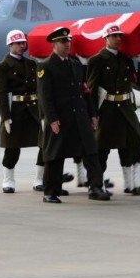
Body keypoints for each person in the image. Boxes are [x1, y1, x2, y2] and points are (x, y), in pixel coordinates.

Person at [36, 26, 111, 203]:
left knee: (91, 152)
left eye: (68, 40)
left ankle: (95, 187)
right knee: (55, 155)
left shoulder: (75, 65)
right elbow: (45, 97)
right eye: (63, 41)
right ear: (54, 44)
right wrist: (52, 119)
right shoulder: (46, 66)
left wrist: (92, 114)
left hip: (80, 117)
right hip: (61, 119)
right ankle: (50, 192)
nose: (67, 44)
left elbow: (84, 92)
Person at [85, 23, 140, 196]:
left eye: (119, 36)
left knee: (134, 143)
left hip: (126, 109)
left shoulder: (126, 59)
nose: (118, 39)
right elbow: (92, 90)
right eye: (114, 36)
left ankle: (136, 183)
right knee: (102, 150)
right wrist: (92, 114)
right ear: (106, 38)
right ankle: (96, 185)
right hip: (107, 110)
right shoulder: (96, 60)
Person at [0, 29, 42, 193]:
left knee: (44, 144)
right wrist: (5, 117)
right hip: (16, 111)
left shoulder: (31, 64)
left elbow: (39, 89)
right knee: (12, 147)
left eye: (23, 43)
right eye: (18, 43)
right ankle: (8, 180)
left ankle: (39, 179)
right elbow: (0, 93)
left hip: (33, 110)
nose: (22, 46)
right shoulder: (2, 67)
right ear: (10, 45)